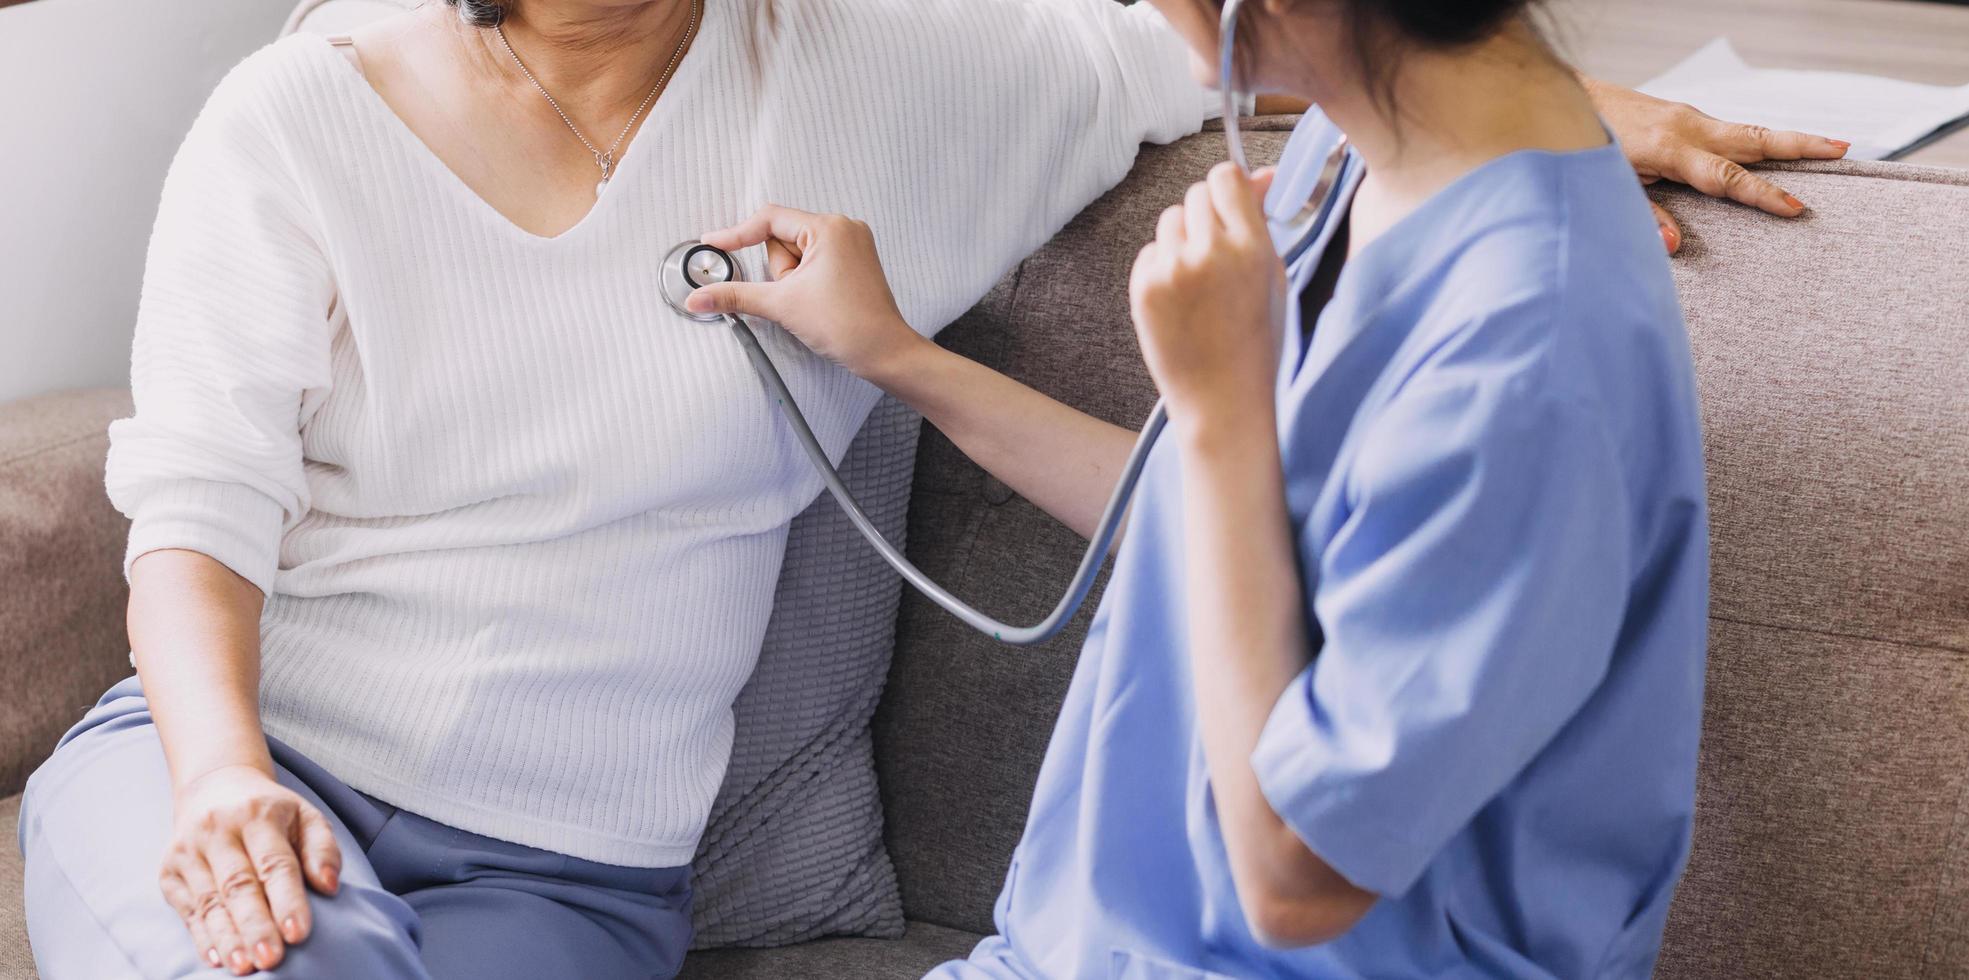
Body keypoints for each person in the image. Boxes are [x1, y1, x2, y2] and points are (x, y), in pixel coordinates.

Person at [16, 0, 1832, 977]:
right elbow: (194, 505)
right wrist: (223, 775)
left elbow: (1218, 49)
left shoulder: (876, 74)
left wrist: (1559, 101)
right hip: (255, 754)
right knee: (265, 957)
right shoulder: (296, 112)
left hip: (583, 882)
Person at [682, 0, 1725, 976]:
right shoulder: (1355, 150)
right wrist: (896, 355)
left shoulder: (1529, 353)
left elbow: (1299, 877)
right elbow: (1227, 534)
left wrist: (1222, 405)